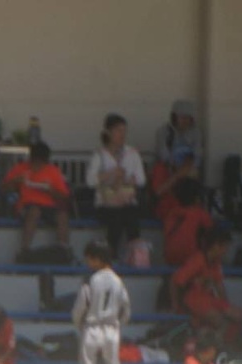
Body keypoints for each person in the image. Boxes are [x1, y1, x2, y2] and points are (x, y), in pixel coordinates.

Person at [73, 240, 131, 364]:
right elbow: (126, 308)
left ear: (97, 259)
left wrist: (79, 324)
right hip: (111, 329)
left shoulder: (89, 280)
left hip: (91, 328)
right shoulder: (118, 281)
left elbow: (79, 307)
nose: (88, 263)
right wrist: (119, 324)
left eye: (89, 259)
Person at [87, 114, 146, 256]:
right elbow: (90, 181)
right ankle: (110, 256)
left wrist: (127, 180)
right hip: (106, 203)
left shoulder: (132, 153)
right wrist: (111, 173)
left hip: (127, 201)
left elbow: (141, 180)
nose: (122, 134)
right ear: (108, 132)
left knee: (132, 216)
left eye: (124, 131)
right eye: (118, 130)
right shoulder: (99, 155)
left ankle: (136, 257)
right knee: (116, 218)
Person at [171, 227, 242, 339]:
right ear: (216, 246)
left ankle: (224, 341)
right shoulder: (197, 260)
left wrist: (226, 306)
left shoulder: (216, 262)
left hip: (208, 297)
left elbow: (219, 286)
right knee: (217, 319)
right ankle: (212, 343)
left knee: (239, 315)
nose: (226, 251)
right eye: (225, 247)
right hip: (193, 298)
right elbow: (176, 281)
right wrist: (177, 307)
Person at [2, 142, 70, 257]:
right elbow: (4, 188)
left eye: (41, 163)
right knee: (34, 211)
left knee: (62, 215)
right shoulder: (20, 168)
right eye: (35, 162)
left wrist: (50, 190)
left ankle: (63, 249)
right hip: (27, 205)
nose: (37, 166)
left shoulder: (53, 171)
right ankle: (25, 249)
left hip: (49, 206)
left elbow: (64, 196)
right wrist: (15, 181)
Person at [162, 178, 213, 267]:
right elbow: (213, 236)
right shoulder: (201, 214)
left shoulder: (171, 213)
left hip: (170, 259)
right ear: (197, 198)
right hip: (191, 259)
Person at [149, 146, 200, 222]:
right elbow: (157, 192)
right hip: (166, 211)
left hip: (184, 212)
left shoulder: (188, 173)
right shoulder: (161, 168)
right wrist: (177, 175)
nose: (188, 165)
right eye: (185, 161)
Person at [154, 99, 203, 169]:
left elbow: (197, 154)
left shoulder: (196, 132)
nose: (185, 121)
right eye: (182, 117)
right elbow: (163, 154)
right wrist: (176, 167)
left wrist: (188, 167)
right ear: (174, 118)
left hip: (189, 168)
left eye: (188, 118)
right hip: (169, 168)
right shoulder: (163, 131)